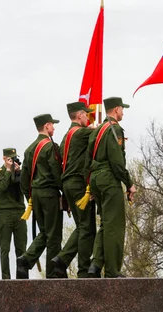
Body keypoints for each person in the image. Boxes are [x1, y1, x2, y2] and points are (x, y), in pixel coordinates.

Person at [86, 97, 136, 278]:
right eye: (122, 109)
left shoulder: (97, 130)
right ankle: (113, 271)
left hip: (96, 179)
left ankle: (95, 265)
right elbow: (117, 161)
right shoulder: (115, 129)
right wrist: (129, 183)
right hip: (109, 179)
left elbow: (88, 159)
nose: (123, 112)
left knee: (105, 225)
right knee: (114, 226)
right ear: (116, 109)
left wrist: (90, 185)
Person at [50, 102, 96, 278]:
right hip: (78, 184)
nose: (88, 117)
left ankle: (61, 261)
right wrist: (96, 127)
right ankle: (82, 269)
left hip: (68, 184)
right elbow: (101, 133)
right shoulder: (82, 133)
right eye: (86, 114)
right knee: (87, 227)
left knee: (81, 227)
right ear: (79, 115)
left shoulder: (66, 136)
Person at [17, 114, 63, 279]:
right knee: (54, 235)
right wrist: (64, 191)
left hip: (35, 194)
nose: (54, 128)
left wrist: (29, 197)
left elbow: (24, 178)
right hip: (49, 193)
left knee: (44, 232)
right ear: (47, 126)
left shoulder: (29, 149)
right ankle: (52, 273)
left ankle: (25, 260)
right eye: (53, 125)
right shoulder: (51, 147)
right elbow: (56, 172)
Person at [0, 148, 27, 279]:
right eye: (10, 159)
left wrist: (19, 173)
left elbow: (24, 187)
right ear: (4, 159)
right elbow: (2, 187)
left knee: (21, 248)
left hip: (19, 212)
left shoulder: (20, 173)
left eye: (14, 158)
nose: (13, 161)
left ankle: (22, 278)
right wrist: (8, 171)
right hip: (4, 213)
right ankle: (6, 278)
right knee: (5, 248)